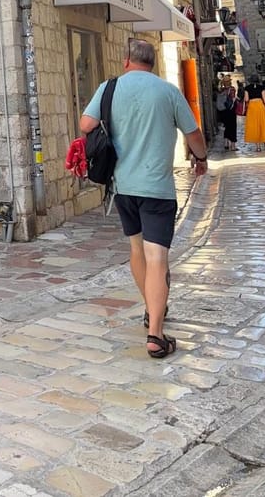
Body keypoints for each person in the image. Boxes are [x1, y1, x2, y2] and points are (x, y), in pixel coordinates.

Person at [80, 39, 205, 360]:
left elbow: (86, 124)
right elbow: (193, 132)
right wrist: (200, 158)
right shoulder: (167, 92)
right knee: (158, 259)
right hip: (157, 188)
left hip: (123, 186)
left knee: (136, 250)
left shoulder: (108, 88)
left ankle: (152, 310)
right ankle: (155, 336)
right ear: (153, 64)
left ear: (126, 62)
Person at [243, 78, 265, 153]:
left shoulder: (247, 88)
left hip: (252, 107)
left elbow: (246, 99)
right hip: (260, 106)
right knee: (263, 125)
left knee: (255, 126)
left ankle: (258, 147)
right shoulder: (262, 87)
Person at [222, 83, 238, 151]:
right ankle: (233, 146)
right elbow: (230, 107)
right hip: (231, 116)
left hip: (226, 115)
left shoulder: (226, 98)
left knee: (227, 129)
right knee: (233, 130)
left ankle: (226, 144)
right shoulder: (232, 99)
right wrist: (234, 101)